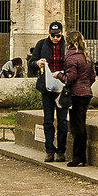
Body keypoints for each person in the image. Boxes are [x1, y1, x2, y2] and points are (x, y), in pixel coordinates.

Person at [28, 20, 68, 161]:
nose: (55, 38)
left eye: (58, 35)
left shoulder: (67, 46)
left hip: (63, 88)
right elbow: (31, 62)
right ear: (49, 33)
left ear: (62, 33)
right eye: (53, 35)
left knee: (63, 121)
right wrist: (37, 63)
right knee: (48, 120)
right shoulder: (41, 44)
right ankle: (49, 150)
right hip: (47, 86)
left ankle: (61, 151)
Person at [60, 34, 95, 166]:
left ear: (69, 42)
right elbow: (92, 77)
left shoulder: (71, 57)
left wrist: (59, 75)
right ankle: (81, 157)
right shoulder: (86, 56)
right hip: (86, 93)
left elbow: (70, 78)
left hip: (76, 94)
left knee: (77, 127)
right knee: (81, 124)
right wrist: (85, 86)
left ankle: (78, 157)